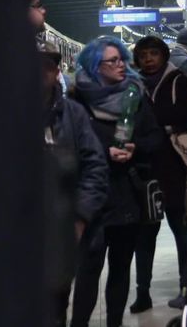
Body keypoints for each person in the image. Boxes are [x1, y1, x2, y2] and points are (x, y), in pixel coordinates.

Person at [70, 36, 164, 327]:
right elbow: (67, 144)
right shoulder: (77, 101)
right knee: (88, 269)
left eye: (122, 59)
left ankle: (114, 323)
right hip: (92, 199)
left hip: (127, 195)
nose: (122, 65)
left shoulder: (135, 95)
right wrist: (103, 151)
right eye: (113, 61)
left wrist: (137, 148)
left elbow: (155, 137)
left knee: (121, 268)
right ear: (95, 67)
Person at [39, 41, 110, 327]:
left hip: (64, 228)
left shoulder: (73, 114)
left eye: (47, 67)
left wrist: (80, 217)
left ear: (57, 71)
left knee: (57, 304)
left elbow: (95, 166)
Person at [129, 36, 187, 312]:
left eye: (153, 53)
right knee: (145, 235)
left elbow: (185, 117)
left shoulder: (178, 80)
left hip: (175, 169)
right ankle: (142, 293)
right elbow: (128, 120)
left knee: (182, 232)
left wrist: (153, 128)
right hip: (145, 170)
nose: (148, 59)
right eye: (143, 54)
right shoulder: (132, 85)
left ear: (164, 55)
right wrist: (161, 127)